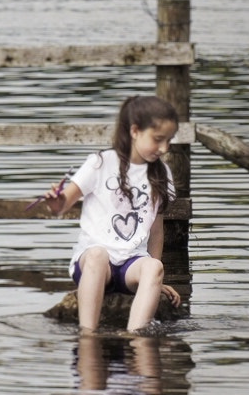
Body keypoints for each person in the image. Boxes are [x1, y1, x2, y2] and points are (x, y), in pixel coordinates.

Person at [35, 95, 183, 333]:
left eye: (169, 141)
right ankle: (88, 335)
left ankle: (135, 338)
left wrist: (156, 280)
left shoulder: (161, 173)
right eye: (158, 140)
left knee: (153, 267)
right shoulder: (101, 163)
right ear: (135, 131)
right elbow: (62, 205)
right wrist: (55, 202)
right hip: (95, 265)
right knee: (97, 255)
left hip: (130, 265)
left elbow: (156, 227)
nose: (164, 148)